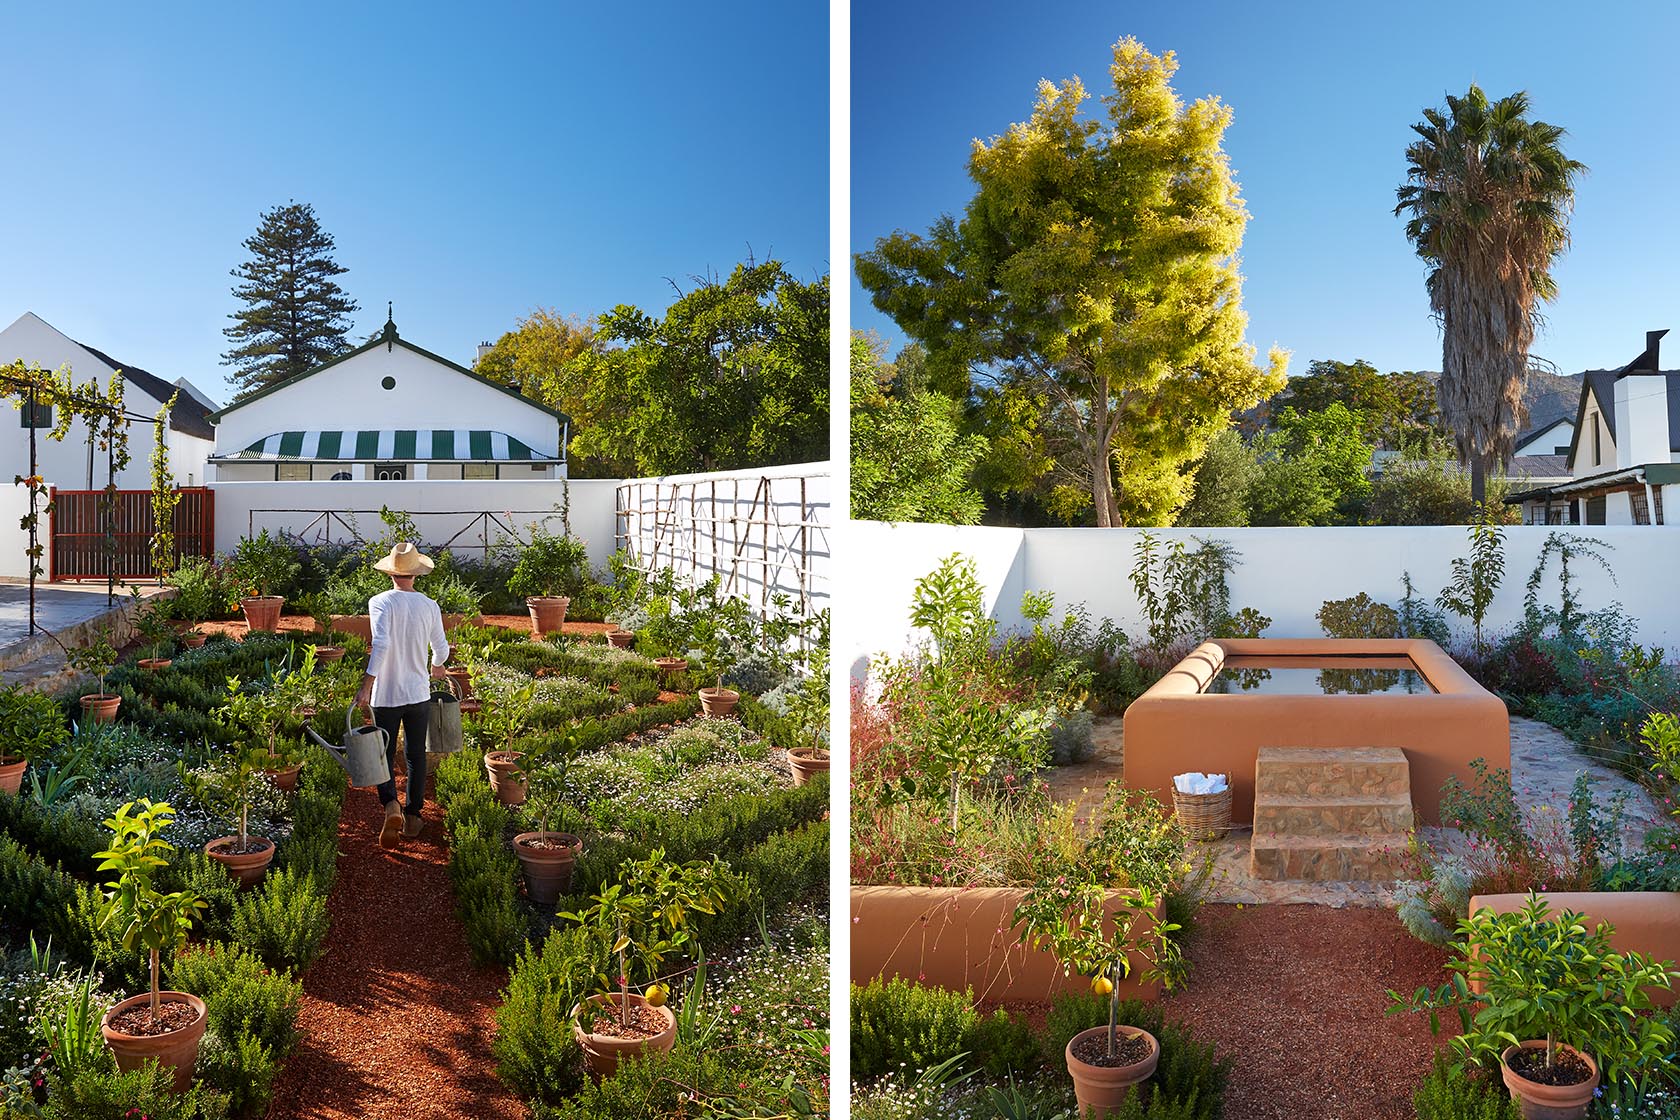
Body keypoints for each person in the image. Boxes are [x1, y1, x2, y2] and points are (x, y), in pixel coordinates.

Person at [354, 542, 449, 849]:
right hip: (418, 692)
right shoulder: (429, 605)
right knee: (415, 754)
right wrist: (437, 667)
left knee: (382, 754)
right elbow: (442, 649)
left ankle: (390, 805)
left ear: (391, 572)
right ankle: (414, 815)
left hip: (388, 694)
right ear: (415, 574)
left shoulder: (380, 602)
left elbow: (380, 645)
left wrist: (367, 684)